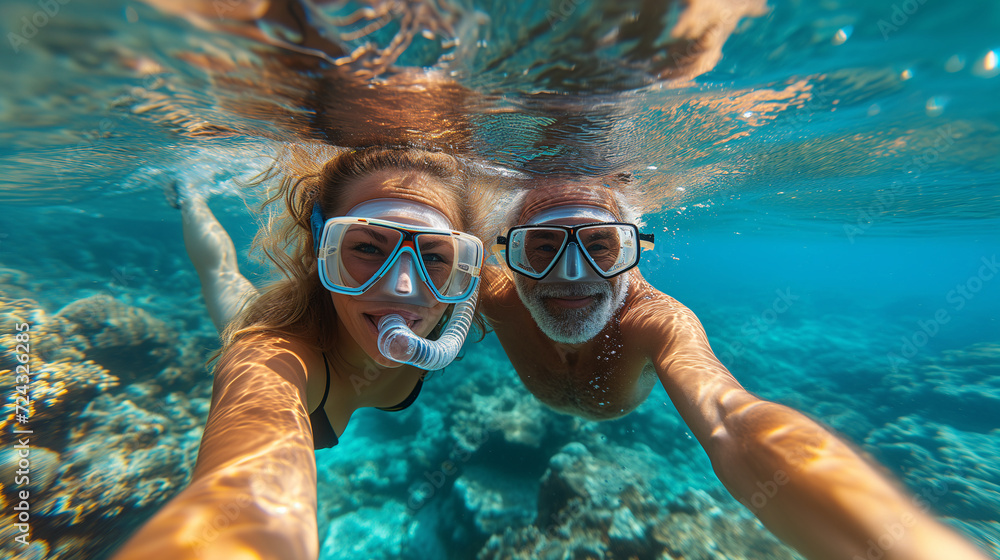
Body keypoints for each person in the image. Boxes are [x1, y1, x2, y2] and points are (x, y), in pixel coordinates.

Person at [480, 179, 991, 560]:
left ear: (633, 252)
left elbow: (730, 418)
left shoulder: (656, 322)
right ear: (507, 251)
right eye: (542, 247)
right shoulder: (491, 292)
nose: (572, 275)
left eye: (600, 246)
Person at [112, 147, 484, 560]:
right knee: (220, 273)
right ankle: (190, 197)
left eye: (433, 255)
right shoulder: (270, 358)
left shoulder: (461, 294)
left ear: (465, 266)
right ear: (321, 247)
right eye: (367, 248)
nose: (402, 287)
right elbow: (245, 488)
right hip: (280, 320)